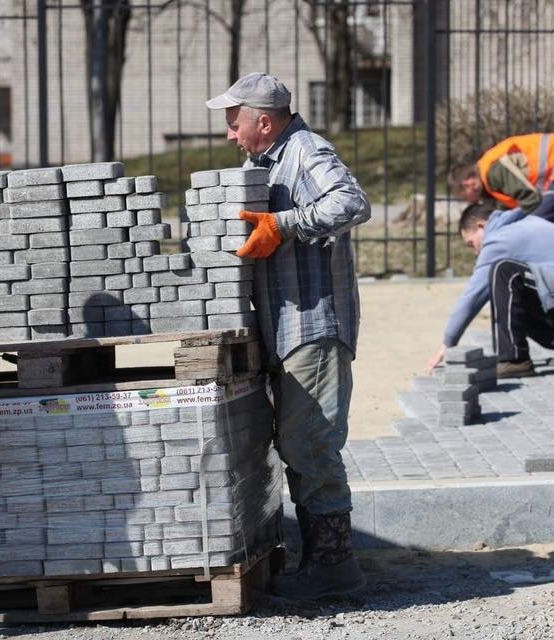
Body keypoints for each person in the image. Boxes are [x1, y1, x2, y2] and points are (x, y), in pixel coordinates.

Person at [206, 72, 370, 600]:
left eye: (235, 123)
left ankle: (334, 566)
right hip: (283, 328)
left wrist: (284, 224)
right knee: (296, 444)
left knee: (310, 444)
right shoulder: (262, 163)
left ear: (263, 122)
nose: (230, 134)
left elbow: (352, 203)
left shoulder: (305, 151)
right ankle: (318, 561)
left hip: (313, 327)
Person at [426, 203, 554, 379]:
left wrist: (448, 343)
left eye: (471, 243)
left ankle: (514, 359)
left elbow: (473, 296)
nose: (475, 252)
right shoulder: (523, 224)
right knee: (511, 296)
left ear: (481, 226)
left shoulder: (499, 239)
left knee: (503, 272)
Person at [449, 132, 554, 231]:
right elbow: (507, 209)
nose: (471, 202)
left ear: (468, 184)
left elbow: (531, 200)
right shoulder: (490, 180)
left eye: (465, 197)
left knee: (541, 226)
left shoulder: (493, 173)